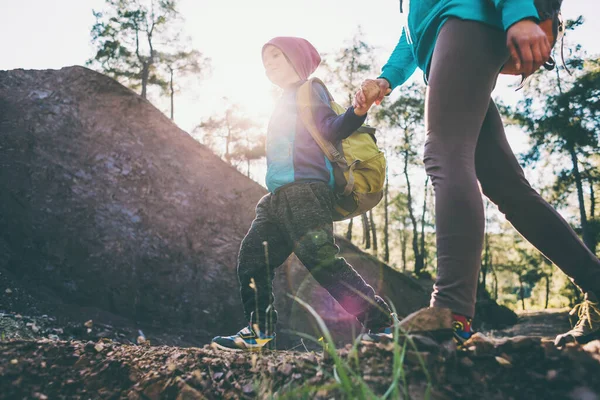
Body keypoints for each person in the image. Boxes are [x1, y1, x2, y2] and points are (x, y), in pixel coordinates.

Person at [355, 0, 600, 346]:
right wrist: (386, 78)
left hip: (469, 20)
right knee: (509, 189)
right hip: (456, 35)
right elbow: (412, 34)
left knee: (444, 153)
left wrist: (519, 14)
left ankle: (450, 314)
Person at [212, 36, 394, 351]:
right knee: (252, 258)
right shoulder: (280, 101)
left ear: (297, 61)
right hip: (276, 199)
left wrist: (357, 112)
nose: (268, 63)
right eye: (265, 58)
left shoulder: (310, 89)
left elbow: (332, 129)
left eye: (276, 56)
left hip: (307, 191)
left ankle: (379, 323)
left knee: (321, 260)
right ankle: (260, 331)